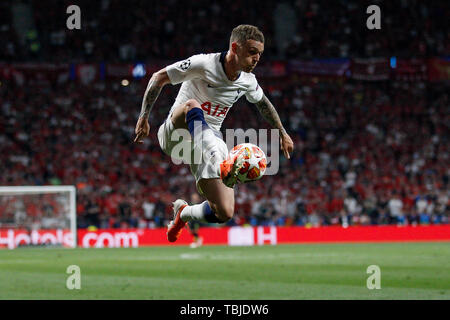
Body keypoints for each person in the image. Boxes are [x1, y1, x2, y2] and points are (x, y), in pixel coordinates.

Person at [134, 25, 294, 243]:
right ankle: (220, 159)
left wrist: (283, 132)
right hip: (177, 133)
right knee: (193, 105)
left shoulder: (248, 81)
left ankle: (185, 214)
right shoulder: (204, 64)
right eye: (252, 52)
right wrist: (144, 117)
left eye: (260, 54)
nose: (257, 58)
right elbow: (158, 77)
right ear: (235, 47)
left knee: (224, 212)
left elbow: (264, 104)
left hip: (206, 144)